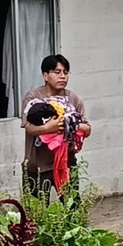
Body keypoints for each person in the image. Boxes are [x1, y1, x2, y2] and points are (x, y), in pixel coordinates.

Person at [21, 54, 91, 204]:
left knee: (72, 208)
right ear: (45, 76)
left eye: (65, 72)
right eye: (57, 72)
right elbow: (28, 127)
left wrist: (70, 124)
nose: (62, 76)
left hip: (66, 164)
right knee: (37, 212)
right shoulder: (33, 97)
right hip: (37, 167)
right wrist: (48, 127)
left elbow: (87, 128)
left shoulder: (73, 99)